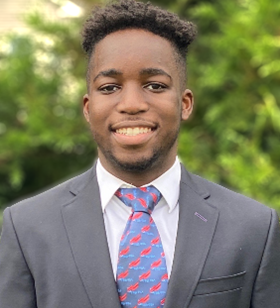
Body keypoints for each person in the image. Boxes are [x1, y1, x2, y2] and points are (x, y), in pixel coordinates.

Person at [0, 0, 279, 307]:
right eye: (109, 87)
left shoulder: (254, 227)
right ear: (88, 107)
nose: (131, 103)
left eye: (155, 85)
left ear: (184, 103)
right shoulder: (27, 227)